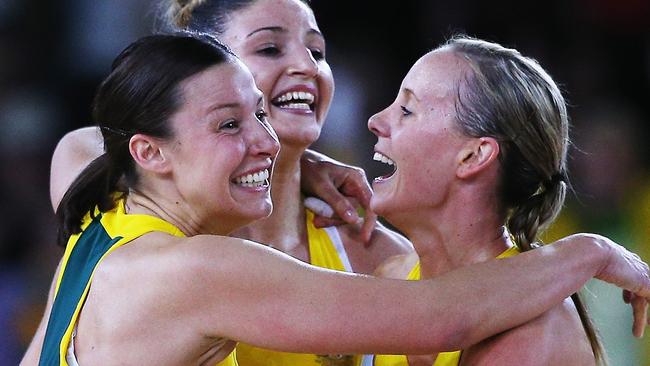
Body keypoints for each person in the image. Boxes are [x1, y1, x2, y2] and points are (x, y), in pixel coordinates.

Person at [42, 1, 650, 365]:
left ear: (475, 156)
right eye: (269, 48)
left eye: (316, 48)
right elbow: (444, 321)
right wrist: (588, 250)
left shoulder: (369, 253)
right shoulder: (181, 253)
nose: (304, 66)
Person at [364, 36, 639, 365]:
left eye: (406, 110)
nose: (375, 121)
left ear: (474, 156)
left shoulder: (536, 333)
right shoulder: (391, 276)